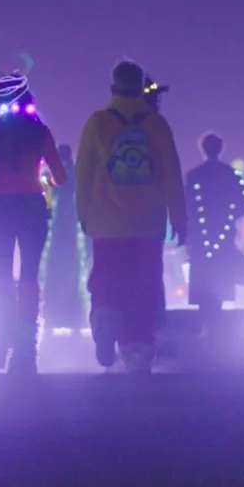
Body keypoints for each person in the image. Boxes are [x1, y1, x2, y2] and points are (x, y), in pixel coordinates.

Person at [71, 63, 188, 373]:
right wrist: (179, 217)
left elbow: (84, 173)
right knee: (144, 285)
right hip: (148, 222)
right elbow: (171, 174)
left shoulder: (98, 122)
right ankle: (137, 347)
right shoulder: (157, 125)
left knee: (107, 278)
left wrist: (83, 213)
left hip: (106, 221)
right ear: (140, 88)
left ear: (113, 87)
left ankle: (105, 318)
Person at [0, 72, 68, 374]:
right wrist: (44, 177)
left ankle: (0, 337)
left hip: (0, 207)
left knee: (1, 274)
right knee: (29, 277)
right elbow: (61, 177)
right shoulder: (40, 131)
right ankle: (25, 350)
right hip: (31, 207)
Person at [184, 132, 244, 330]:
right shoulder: (230, 175)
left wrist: (188, 234)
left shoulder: (194, 175)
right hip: (222, 233)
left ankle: (207, 319)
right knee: (220, 274)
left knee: (204, 274)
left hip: (200, 235)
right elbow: (242, 204)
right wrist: (229, 218)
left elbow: (187, 206)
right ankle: (215, 320)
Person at [42, 145, 86, 331]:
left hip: (56, 235)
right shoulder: (78, 175)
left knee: (54, 275)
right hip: (72, 234)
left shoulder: (50, 176)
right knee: (72, 276)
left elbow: (46, 203)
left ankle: (53, 319)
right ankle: (73, 321)